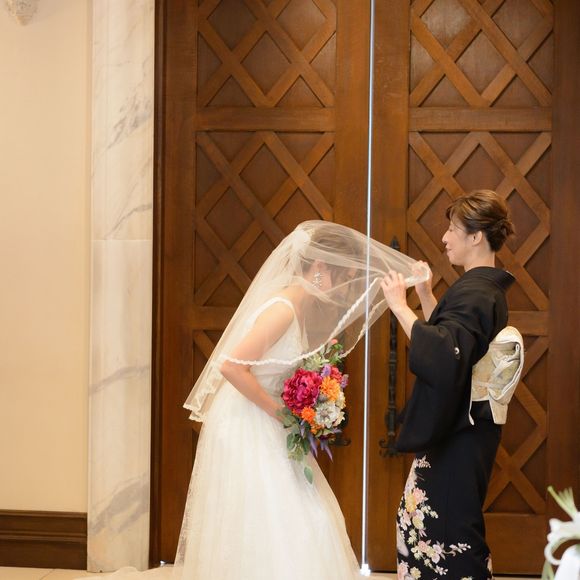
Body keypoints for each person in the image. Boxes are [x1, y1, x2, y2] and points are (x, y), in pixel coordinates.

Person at [84, 220, 428, 580]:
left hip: (263, 415)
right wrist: (279, 411)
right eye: (342, 277)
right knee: (271, 515)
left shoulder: (299, 305)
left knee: (297, 515)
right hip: (247, 420)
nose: (343, 288)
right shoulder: (283, 309)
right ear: (319, 267)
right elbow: (232, 366)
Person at [381, 190, 518, 579]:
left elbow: (444, 356)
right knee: (426, 522)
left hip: (461, 433)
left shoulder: (477, 292)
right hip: (462, 428)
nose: (444, 238)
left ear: (476, 236)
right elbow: (453, 343)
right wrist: (426, 295)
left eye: (453, 229)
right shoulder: (481, 289)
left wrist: (399, 307)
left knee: (447, 530)